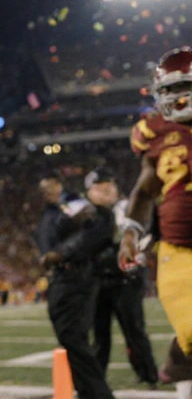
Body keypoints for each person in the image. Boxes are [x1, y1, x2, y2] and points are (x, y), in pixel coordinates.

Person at [120, 46, 192, 399]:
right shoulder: (156, 131)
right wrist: (130, 233)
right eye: (169, 90)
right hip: (179, 251)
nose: (176, 97)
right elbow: (145, 190)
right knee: (191, 330)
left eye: (184, 87)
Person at [38, 173, 117, 399]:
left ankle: (98, 394)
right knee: (71, 338)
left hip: (76, 277)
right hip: (63, 276)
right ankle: (90, 392)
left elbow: (86, 238)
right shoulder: (61, 210)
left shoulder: (94, 213)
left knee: (73, 337)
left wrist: (61, 253)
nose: (50, 192)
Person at [89, 172, 157, 386]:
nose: (105, 191)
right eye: (99, 187)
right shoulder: (87, 214)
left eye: (108, 185)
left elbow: (145, 232)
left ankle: (148, 374)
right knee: (99, 333)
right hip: (98, 277)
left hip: (127, 277)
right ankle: (96, 379)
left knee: (134, 328)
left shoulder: (128, 207)